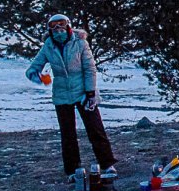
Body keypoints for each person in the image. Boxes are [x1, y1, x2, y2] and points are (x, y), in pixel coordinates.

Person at [25, 13, 117, 178]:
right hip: (61, 94)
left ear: (68, 26)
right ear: (50, 29)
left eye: (61, 24)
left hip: (83, 92)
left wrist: (90, 93)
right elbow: (32, 69)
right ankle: (72, 170)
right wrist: (39, 77)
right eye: (54, 26)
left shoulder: (80, 42)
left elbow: (90, 68)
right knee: (68, 134)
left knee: (95, 129)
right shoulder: (48, 45)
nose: (58, 29)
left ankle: (107, 164)